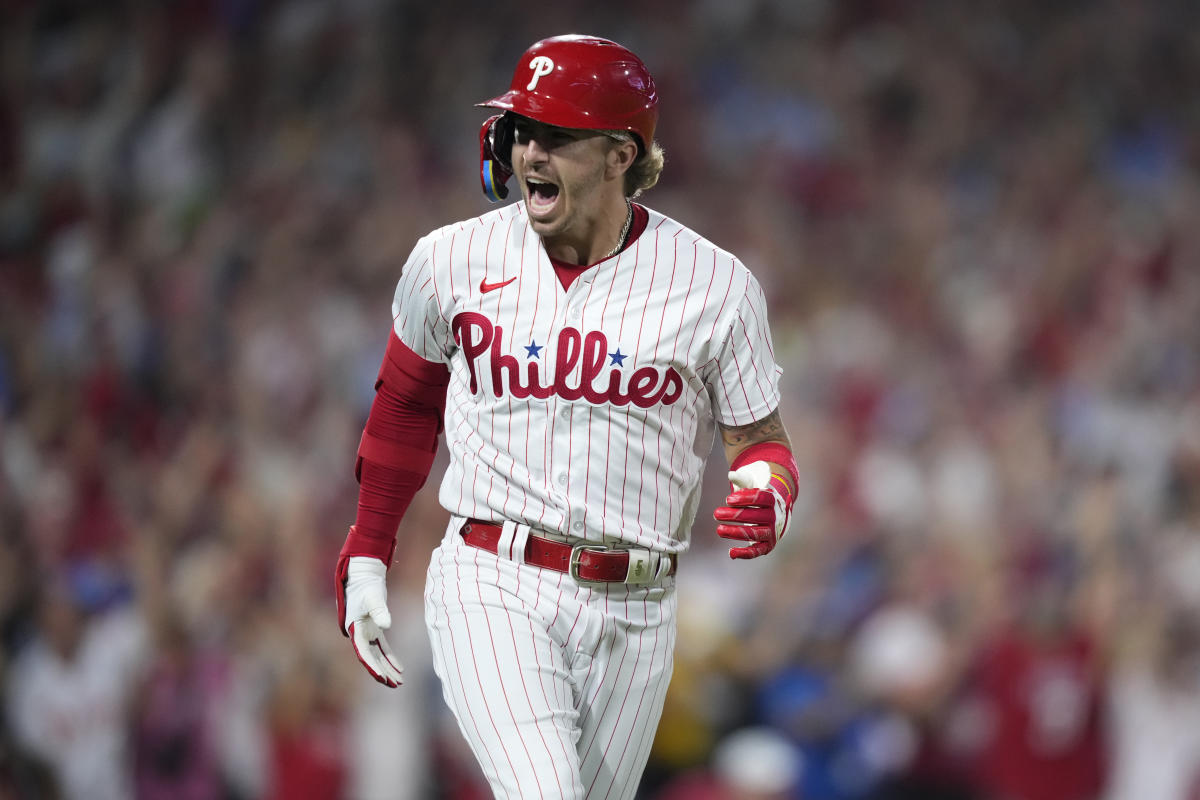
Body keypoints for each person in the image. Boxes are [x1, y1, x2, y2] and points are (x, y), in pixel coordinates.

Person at [333, 34, 800, 798]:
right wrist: (367, 549)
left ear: (621, 154)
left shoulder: (715, 285)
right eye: (522, 131)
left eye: (558, 135)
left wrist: (769, 491)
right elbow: (405, 406)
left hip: (640, 606)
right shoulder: (449, 259)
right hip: (494, 577)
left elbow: (760, 442)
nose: (530, 154)